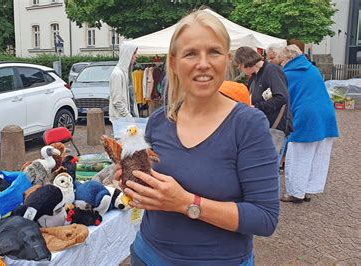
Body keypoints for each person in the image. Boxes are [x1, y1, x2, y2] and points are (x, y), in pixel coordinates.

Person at [115, 10, 279, 265]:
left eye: (213, 52)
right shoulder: (159, 121)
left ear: (226, 60)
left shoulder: (248, 125)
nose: (203, 63)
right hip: (148, 256)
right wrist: (135, 185)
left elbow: (265, 218)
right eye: (191, 53)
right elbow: (155, 188)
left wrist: (185, 203)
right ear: (173, 63)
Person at [279, 45, 339, 203]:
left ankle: (296, 193)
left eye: (282, 59)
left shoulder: (288, 73)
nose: (281, 63)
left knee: (298, 154)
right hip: (326, 114)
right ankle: (308, 190)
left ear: (289, 58)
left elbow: (283, 98)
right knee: (318, 155)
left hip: (307, 116)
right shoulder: (313, 69)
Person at [234, 46, 293, 146]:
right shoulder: (254, 77)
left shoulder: (271, 70)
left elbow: (281, 97)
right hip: (263, 129)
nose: (240, 70)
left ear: (245, 62)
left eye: (239, 67)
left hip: (275, 129)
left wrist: (256, 107)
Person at [109, 43, 139, 122]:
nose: (136, 56)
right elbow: (117, 100)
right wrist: (128, 117)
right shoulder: (117, 74)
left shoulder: (126, 73)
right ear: (128, 54)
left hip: (125, 119)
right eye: (134, 53)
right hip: (121, 120)